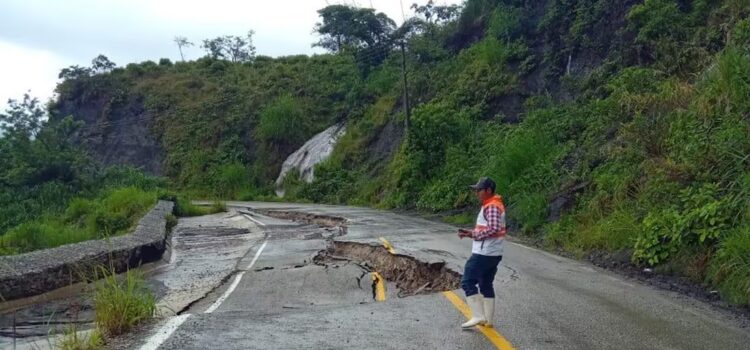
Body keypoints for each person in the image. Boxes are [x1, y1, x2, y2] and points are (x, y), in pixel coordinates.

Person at [457, 177, 506, 329]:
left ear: (488, 190)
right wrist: (470, 233)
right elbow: (489, 227)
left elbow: (493, 228)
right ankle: (488, 320)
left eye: (479, 190)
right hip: (494, 252)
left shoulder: (491, 206)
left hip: (484, 252)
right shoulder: (492, 204)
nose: (476, 193)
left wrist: (475, 235)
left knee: (467, 281)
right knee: (486, 284)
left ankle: (478, 316)